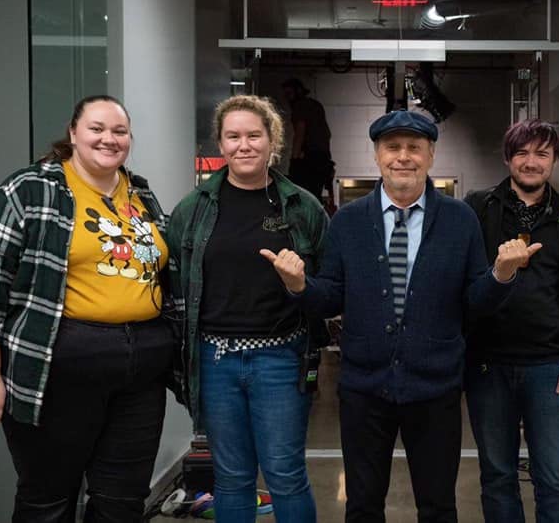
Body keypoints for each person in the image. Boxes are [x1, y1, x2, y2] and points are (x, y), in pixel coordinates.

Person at [261, 110, 538, 523]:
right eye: (393, 147)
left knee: (438, 506)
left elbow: (475, 302)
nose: (403, 157)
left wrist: (501, 275)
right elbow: (331, 297)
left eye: (414, 147)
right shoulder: (348, 222)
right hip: (364, 388)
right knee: (362, 506)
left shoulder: (460, 220)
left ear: (431, 155)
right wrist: (299, 285)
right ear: (377, 155)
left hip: (435, 388)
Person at [0, 95, 176, 522]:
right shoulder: (32, 188)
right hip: (58, 367)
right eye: (97, 128)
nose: (109, 139)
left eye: (120, 131)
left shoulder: (140, 192)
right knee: (49, 500)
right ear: (73, 133)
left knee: (122, 502)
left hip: (142, 373)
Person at [165, 94, 328, 523]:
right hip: (214, 362)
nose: (244, 145)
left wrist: (300, 285)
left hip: (281, 359)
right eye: (233, 136)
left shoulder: (303, 207)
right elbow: (172, 284)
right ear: (221, 144)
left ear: (272, 140)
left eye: (254, 135)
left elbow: (330, 289)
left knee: (285, 474)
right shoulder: (192, 210)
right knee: (232, 477)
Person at [463, 119, 559, 523]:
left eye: (541, 153)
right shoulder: (478, 207)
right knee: (497, 477)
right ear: (508, 158)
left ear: (554, 160)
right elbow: (461, 282)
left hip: (552, 368)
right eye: (522, 153)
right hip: (488, 366)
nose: (531, 162)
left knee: (555, 478)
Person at [282, 78, 333, 201]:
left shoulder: (300, 106)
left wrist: (294, 159)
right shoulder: (315, 105)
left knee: (302, 195)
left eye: (289, 94)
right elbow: (327, 133)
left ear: (298, 92)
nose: (287, 98)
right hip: (322, 158)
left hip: (309, 159)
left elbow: (300, 131)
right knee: (314, 195)